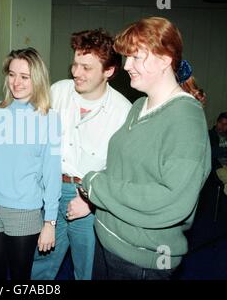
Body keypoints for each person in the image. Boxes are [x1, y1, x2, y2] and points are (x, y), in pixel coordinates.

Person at [81, 17, 211, 280]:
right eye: (126, 57)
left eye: (136, 57)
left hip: (141, 260)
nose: (127, 65)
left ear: (165, 60)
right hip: (109, 241)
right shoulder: (140, 105)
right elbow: (125, 167)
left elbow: (172, 200)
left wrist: (97, 187)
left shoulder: (185, 119)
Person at [31, 29, 131, 280]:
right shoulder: (59, 91)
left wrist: (91, 201)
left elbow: (123, 171)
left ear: (109, 71)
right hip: (51, 192)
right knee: (40, 266)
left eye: (86, 67)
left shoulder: (123, 111)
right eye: (75, 64)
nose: (76, 72)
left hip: (90, 199)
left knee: (87, 272)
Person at [0, 47, 61, 280]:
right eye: (12, 74)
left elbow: (51, 173)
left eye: (24, 77)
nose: (16, 82)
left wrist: (50, 222)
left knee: (20, 277)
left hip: (25, 211)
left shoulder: (49, 120)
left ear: (37, 79)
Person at [210, 112, 227, 217]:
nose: (222, 126)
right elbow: (210, 151)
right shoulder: (210, 135)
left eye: (225, 124)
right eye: (220, 122)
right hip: (217, 167)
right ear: (217, 122)